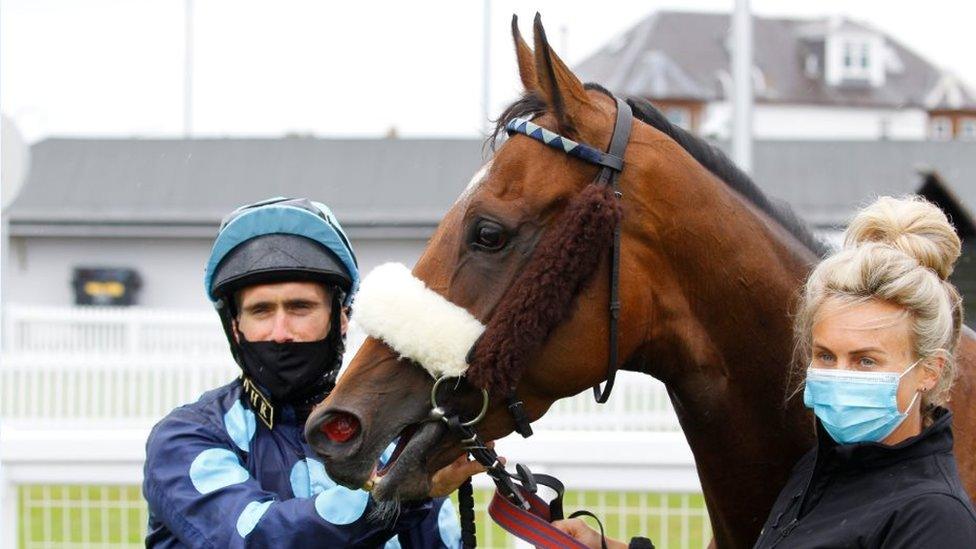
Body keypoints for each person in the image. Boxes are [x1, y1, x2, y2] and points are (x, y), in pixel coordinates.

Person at [555, 195, 976, 548]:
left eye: (866, 360)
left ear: (929, 371)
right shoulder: (819, 468)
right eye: (826, 356)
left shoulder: (934, 519)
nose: (840, 375)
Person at [144, 197, 480, 548]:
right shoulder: (184, 438)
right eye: (260, 310)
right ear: (236, 327)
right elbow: (257, 539)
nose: (280, 331)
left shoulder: (395, 444)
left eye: (299, 307)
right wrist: (395, 493)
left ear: (343, 318)